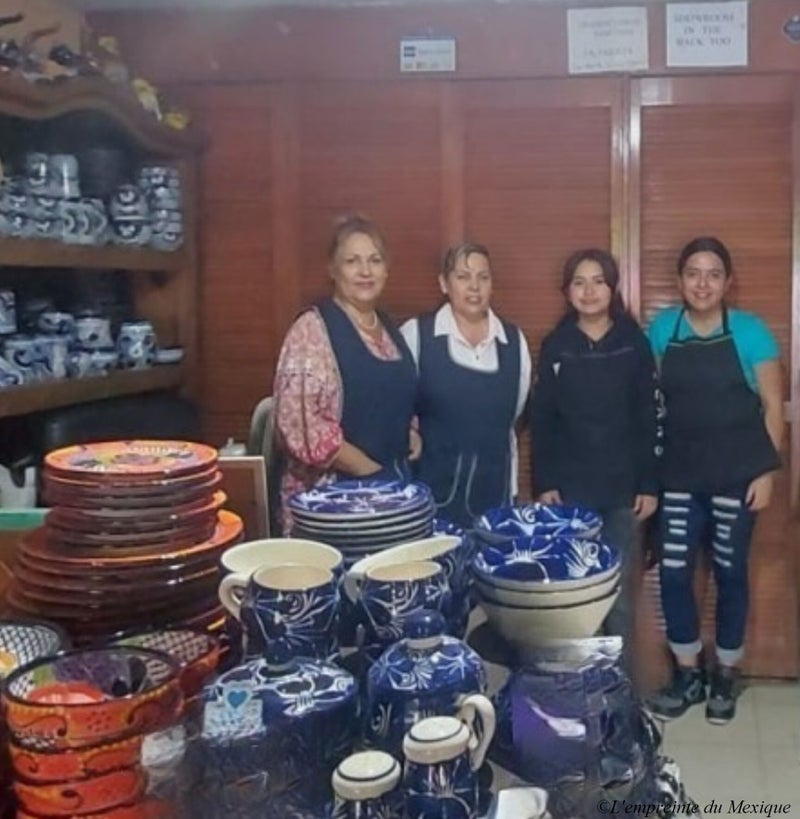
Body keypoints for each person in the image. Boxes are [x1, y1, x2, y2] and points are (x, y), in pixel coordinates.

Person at [646, 237, 782, 725]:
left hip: (736, 478)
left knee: (730, 573)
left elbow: (772, 407)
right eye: (693, 273)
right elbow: (652, 402)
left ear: (726, 282)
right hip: (679, 477)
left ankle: (726, 672)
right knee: (675, 573)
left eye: (713, 274)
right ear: (681, 280)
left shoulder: (750, 332)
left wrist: (765, 470)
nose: (702, 283)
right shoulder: (663, 329)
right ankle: (688, 674)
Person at [529, 248, 660, 645]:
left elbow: (648, 417)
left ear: (612, 288)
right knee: (574, 590)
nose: (589, 291)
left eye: (598, 281)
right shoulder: (557, 344)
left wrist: (650, 486)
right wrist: (545, 482)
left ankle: (617, 689)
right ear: (567, 291)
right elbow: (543, 420)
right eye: (579, 282)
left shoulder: (632, 342)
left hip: (623, 491)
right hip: (570, 491)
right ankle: (576, 685)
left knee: (617, 595)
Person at [272, 215, 419, 534]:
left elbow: (395, 394)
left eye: (374, 260)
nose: (365, 271)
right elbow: (300, 424)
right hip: (332, 502)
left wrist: (410, 432)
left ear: (386, 269)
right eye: (352, 261)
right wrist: (369, 473)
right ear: (333, 270)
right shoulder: (312, 330)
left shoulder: (389, 327)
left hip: (388, 492)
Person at [400, 242, 531, 527]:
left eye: (483, 278)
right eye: (463, 277)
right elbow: (395, 407)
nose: (474, 287)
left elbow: (515, 414)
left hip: (496, 498)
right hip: (430, 499)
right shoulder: (417, 335)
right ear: (444, 284)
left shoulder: (513, 342)